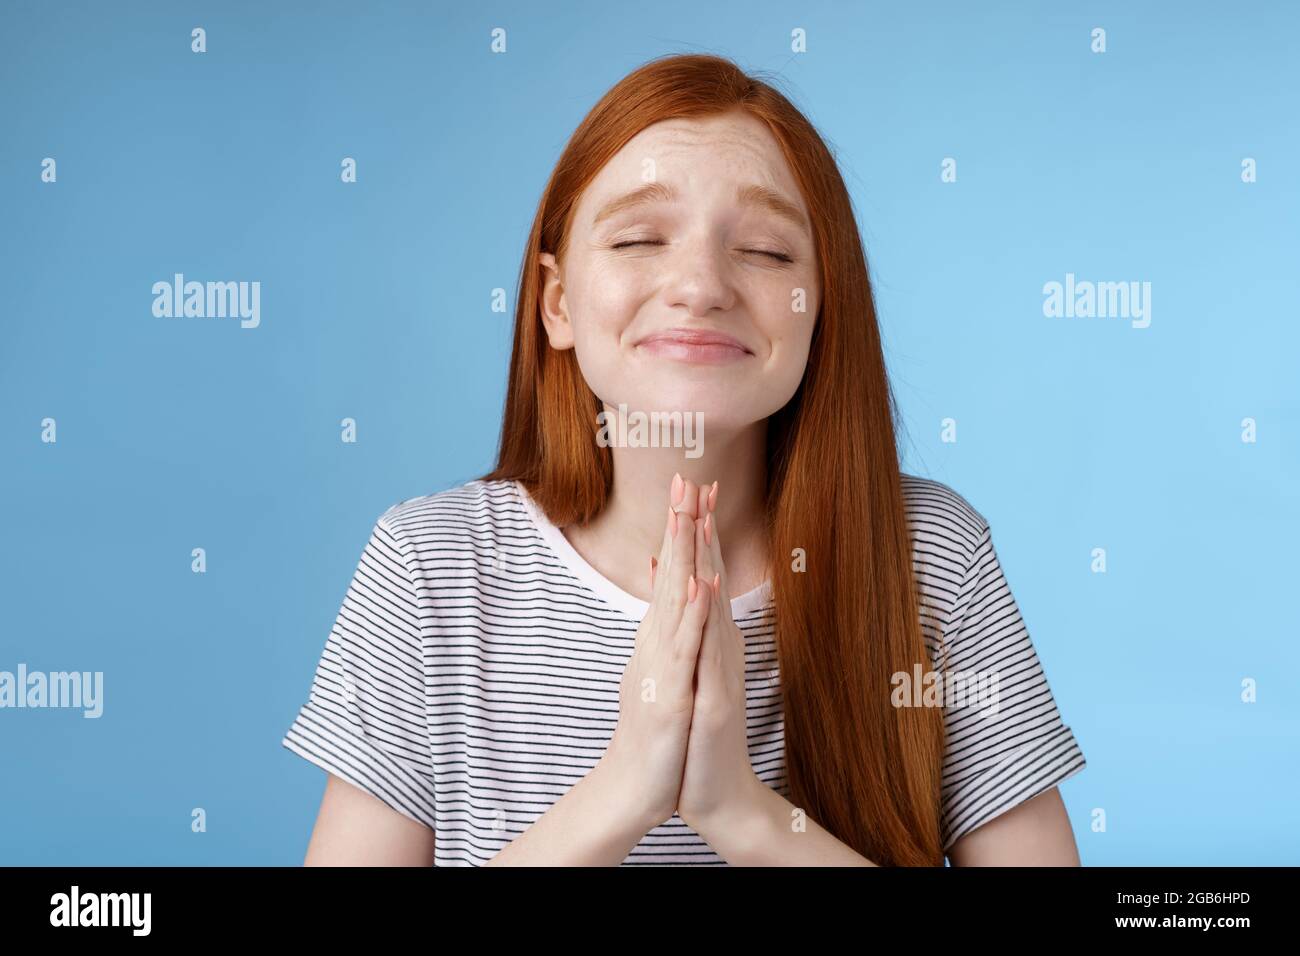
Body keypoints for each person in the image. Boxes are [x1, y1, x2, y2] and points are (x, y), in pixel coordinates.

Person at [282, 53, 1086, 866]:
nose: (700, 285)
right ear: (557, 304)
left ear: (821, 309)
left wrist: (739, 812)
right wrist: (625, 789)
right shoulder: (432, 564)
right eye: (638, 238)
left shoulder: (931, 557)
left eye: (767, 253)